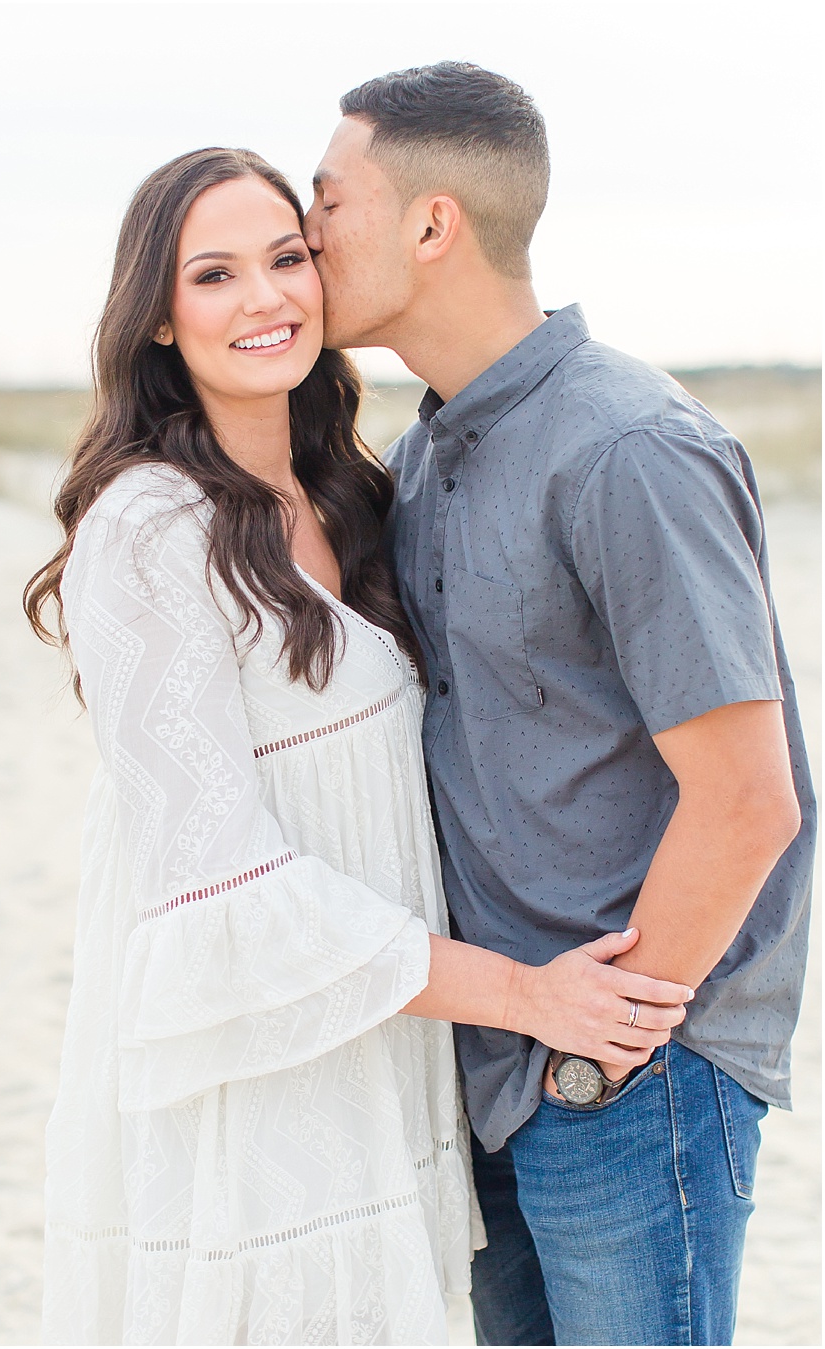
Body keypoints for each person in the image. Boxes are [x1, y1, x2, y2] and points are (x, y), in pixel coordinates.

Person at [25, 147, 696, 1345]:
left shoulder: (353, 489)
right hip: (256, 1065)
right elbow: (221, 886)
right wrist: (527, 992)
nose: (266, 298)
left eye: (288, 257)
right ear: (161, 320)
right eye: (215, 274)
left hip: (381, 1045)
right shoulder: (144, 527)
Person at [303, 62, 812, 1346]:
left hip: (632, 1081)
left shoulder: (627, 448)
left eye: (328, 198)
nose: (306, 234)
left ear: (433, 223)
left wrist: (605, 1052)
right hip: (494, 1065)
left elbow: (752, 799)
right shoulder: (424, 453)